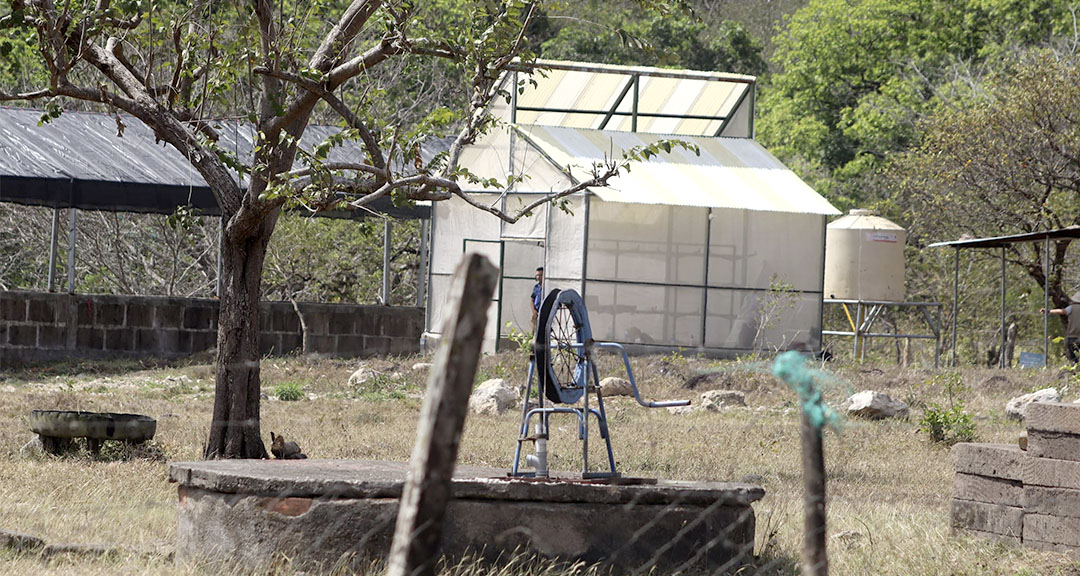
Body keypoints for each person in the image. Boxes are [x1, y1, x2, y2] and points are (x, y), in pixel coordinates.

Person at [1041, 291, 1080, 363]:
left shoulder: (1072, 308)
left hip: (1072, 335)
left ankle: (1075, 369)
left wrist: (1049, 311)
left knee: (1074, 358)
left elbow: (1061, 311)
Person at [530, 267, 544, 334]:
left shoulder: (546, 286)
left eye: (540, 275)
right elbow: (532, 300)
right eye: (537, 275)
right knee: (534, 330)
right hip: (536, 312)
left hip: (544, 312)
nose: (538, 277)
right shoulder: (536, 287)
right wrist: (534, 311)